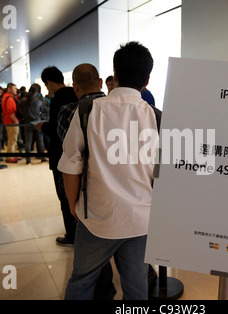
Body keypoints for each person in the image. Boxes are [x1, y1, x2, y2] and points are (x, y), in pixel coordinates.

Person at [59, 42, 158, 300]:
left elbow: (71, 166)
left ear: (114, 74)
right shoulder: (158, 118)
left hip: (96, 217)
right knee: (136, 287)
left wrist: (73, 204)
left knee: (82, 281)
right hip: (141, 220)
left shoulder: (87, 111)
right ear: (147, 79)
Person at [37, 66, 78, 246]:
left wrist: (41, 127)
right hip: (79, 153)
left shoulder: (57, 100)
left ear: (50, 82)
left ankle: (71, 235)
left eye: (47, 85)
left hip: (61, 155)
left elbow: (55, 129)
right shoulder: (76, 94)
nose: (47, 88)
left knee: (65, 196)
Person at [21, 83, 46, 164]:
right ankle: (42, 158)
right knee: (40, 141)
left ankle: (28, 160)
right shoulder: (38, 101)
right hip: (38, 122)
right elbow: (42, 110)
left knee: (28, 142)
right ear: (37, 92)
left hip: (27, 123)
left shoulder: (23, 100)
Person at [2, 83, 20, 163]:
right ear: (9, 89)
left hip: (8, 121)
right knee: (12, 139)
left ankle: (12, 154)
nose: (16, 90)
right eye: (14, 88)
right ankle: (10, 157)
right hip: (11, 122)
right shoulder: (9, 98)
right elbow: (10, 111)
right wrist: (15, 120)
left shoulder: (6, 97)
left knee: (13, 139)